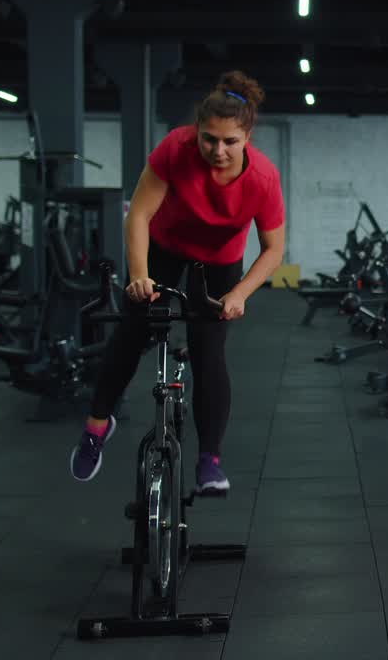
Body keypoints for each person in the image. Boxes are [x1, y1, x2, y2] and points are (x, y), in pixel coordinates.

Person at [70, 70, 285, 493]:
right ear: (197, 132)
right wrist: (138, 275)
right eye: (209, 138)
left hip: (219, 263)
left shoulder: (262, 179)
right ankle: (96, 428)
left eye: (229, 141)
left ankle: (210, 460)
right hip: (164, 249)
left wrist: (239, 294)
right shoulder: (175, 148)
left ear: (247, 137)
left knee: (209, 351)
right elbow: (139, 215)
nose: (218, 150)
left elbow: (273, 249)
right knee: (132, 331)